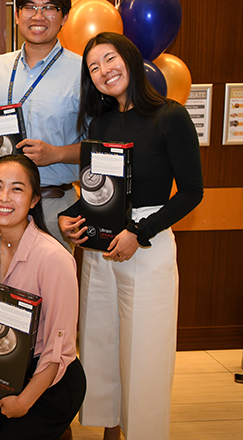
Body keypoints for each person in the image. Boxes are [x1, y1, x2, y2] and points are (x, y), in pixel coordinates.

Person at [58, 32, 203, 440]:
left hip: (146, 242)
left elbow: (192, 192)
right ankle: (110, 428)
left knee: (145, 351)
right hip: (101, 242)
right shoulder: (102, 122)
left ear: (131, 59)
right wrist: (71, 218)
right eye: (94, 68)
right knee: (100, 342)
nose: (104, 71)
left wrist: (138, 233)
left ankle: (143, 432)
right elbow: (97, 190)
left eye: (109, 59)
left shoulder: (169, 116)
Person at [0, 155, 86, 440]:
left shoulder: (54, 258)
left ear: (34, 199)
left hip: (49, 377)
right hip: (0, 366)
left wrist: (25, 400)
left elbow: (58, 345)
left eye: (17, 189)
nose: (4, 197)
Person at [0, 0, 82, 251]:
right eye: (30, 7)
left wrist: (56, 154)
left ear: (64, 17)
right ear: (18, 14)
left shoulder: (83, 73)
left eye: (49, 8)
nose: (39, 16)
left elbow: (101, 145)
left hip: (53, 205)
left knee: (50, 290)